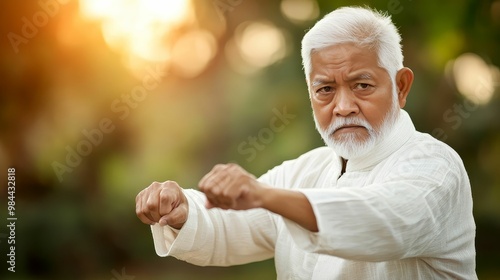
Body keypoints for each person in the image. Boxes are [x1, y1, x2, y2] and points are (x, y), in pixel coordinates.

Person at [135, 6, 477, 279]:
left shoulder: (435, 167)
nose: (343, 107)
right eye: (325, 89)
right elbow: (229, 226)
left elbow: (383, 220)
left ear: (401, 86)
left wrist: (264, 195)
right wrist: (182, 210)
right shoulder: (305, 171)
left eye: (362, 85)